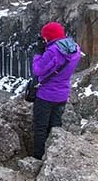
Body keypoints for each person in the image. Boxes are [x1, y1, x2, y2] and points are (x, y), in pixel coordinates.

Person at [32, 22, 81, 159]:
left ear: (48, 37)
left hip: (46, 95)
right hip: (62, 95)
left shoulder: (53, 51)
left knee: (40, 128)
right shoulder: (75, 48)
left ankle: (38, 158)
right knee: (55, 125)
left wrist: (38, 54)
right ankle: (54, 155)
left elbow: (38, 70)